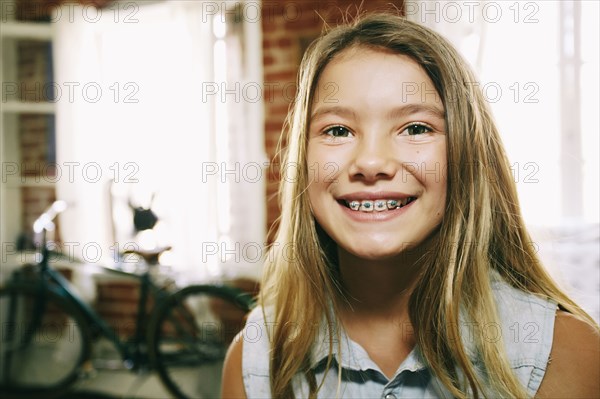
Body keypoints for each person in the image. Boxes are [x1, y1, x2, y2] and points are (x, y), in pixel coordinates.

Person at [222, 13, 599, 398]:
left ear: (466, 156)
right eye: (338, 130)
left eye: (416, 128)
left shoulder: (562, 352)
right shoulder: (254, 360)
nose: (371, 162)